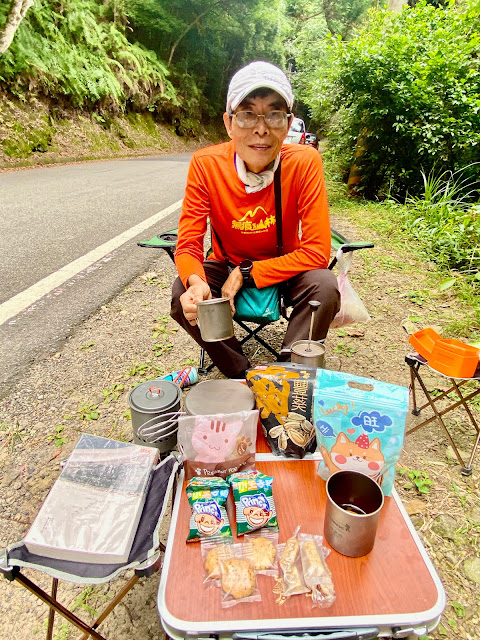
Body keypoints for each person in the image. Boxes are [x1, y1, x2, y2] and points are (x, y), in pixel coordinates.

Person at [170, 61, 340, 378]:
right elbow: (188, 245)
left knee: (325, 285)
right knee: (182, 294)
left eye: (274, 114)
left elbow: (317, 251)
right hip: (226, 261)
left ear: (287, 123)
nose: (260, 129)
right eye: (247, 114)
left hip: (286, 267)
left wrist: (247, 273)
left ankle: (288, 376)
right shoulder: (206, 164)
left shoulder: (304, 162)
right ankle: (242, 373)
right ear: (228, 123)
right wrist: (196, 283)